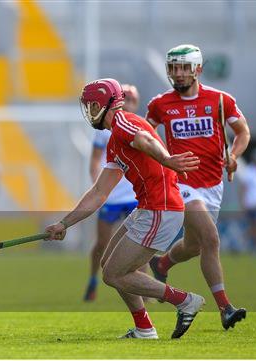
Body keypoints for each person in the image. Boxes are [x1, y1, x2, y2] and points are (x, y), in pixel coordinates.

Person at [46, 78, 204, 339]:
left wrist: (166, 159)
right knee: (109, 265)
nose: (88, 112)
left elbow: (143, 139)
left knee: (114, 274)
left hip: (161, 209)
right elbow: (99, 194)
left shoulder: (123, 122)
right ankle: (144, 328)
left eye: (91, 106)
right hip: (147, 209)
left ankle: (184, 300)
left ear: (103, 104)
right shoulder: (113, 142)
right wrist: (64, 223)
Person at [145, 44, 251, 330]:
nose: (177, 75)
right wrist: (164, 161)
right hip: (183, 183)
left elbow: (242, 132)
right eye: (173, 68)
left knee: (193, 245)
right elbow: (146, 135)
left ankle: (162, 264)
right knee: (211, 240)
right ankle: (225, 308)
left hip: (213, 184)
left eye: (183, 68)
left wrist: (233, 155)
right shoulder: (160, 104)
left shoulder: (220, 100)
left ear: (198, 70)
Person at [84, 84, 144, 302]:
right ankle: (92, 280)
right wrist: (98, 188)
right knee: (102, 244)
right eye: (124, 99)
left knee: (139, 245)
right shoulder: (103, 133)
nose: (127, 104)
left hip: (134, 196)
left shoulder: (140, 128)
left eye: (132, 100)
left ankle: (143, 291)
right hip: (111, 194)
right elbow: (93, 163)